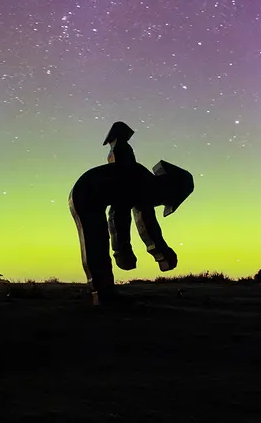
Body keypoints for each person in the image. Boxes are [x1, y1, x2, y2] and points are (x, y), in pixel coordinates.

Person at [68, 152, 193, 306]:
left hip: (86, 192)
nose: (159, 204)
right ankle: (102, 294)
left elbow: (145, 223)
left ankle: (104, 293)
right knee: (96, 244)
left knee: (97, 244)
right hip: (87, 194)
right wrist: (123, 250)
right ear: (167, 187)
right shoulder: (142, 182)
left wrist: (160, 252)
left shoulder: (142, 181)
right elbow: (125, 217)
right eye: (164, 201)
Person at [103, 121, 177, 273]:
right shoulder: (121, 147)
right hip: (130, 187)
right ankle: (126, 254)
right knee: (131, 216)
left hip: (130, 186)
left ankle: (126, 254)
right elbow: (125, 168)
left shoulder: (116, 149)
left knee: (127, 217)